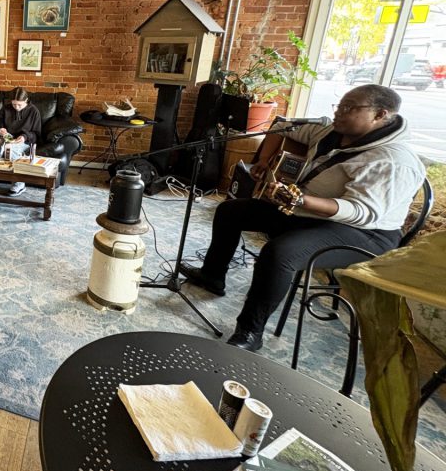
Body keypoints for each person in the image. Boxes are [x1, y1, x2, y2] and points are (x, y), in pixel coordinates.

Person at [180, 85, 424, 352]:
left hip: (364, 232)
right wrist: (263, 161)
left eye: (349, 108)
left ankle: (250, 330)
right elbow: (282, 126)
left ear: (380, 115)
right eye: (339, 105)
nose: (338, 113)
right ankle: (212, 276)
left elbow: (361, 212)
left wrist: (300, 200)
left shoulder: (394, 161)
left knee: (280, 253)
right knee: (231, 211)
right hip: (306, 211)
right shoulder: (333, 132)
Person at [0, 86, 42, 196]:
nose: (16, 107)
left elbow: (37, 133)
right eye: (14, 104)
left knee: (11, 150)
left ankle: (19, 183)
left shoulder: (34, 111)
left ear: (26, 100)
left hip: (25, 141)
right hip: (7, 138)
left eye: (19, 105)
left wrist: (25, 137)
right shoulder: (6, 108)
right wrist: (1, 130)